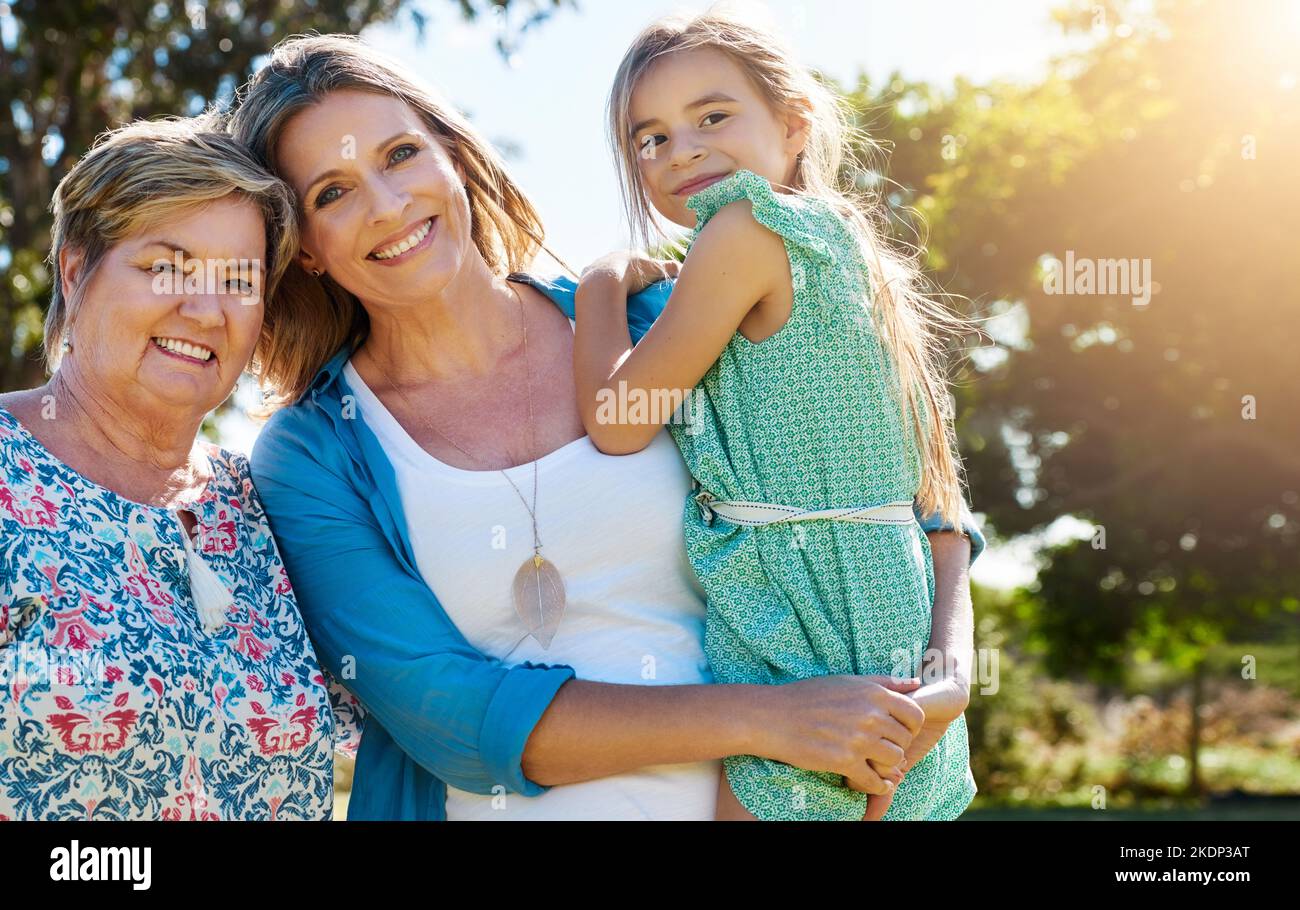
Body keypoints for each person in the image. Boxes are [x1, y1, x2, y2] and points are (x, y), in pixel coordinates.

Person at [229, 33, 984, 820]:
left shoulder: (657, 322)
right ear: (305, 249)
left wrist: (948, 674)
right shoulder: (313, 452)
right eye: (331, 194)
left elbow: (915, 490)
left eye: (400, 155)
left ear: (454, 156)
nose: (387, 206)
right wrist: (774, 718)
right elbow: (449, 715)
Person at [573, 10, 977, 821]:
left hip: (809, 647)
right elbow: (942, 514)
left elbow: (618, 419)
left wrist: (602, 285)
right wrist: (953, 679)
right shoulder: (858, 256)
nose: (679, 149)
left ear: (795, 124)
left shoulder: (744, 229)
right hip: (902, 647)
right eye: (648, 138)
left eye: (711, 116)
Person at [0, 116, 340, 819]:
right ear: (75, 269)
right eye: (167, 266)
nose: (206, 309)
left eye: (238, 280)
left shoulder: (272, 504)